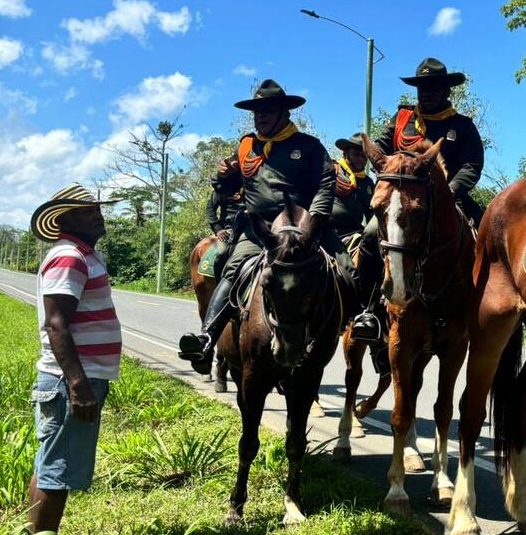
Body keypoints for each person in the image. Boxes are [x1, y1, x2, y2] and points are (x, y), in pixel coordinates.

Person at [178, 79, 336, 373]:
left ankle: (362, 320)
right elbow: (228, 189)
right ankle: (207, 338)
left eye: (267, 110)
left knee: (346, 269)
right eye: (257, 111)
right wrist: (224, 177)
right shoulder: (246, 146)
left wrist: (314, 222)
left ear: (285, 113)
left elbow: (326, 185)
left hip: (302, 229)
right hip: (258, 231)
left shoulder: (309, 146)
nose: (260, 116)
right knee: (232, 265)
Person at [24, 184, 122, 535]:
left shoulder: (83, 254)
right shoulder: (68, 256)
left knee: (50, 463)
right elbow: (56, 324)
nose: (97, 214)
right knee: (57, 471)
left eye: (97, 209)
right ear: (63, 220)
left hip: (77, 379)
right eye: (85, 211)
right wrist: (78, 385)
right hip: (70, 382)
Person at [350, 57, 485, 343]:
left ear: (447, 91)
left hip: (449, 199)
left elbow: (472, 165)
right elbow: (382, 155)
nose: (427, 92)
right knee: (371, 234)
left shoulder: (461, 126)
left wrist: (449, 192)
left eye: (434, 87)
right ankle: (368, 309)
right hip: (404, 203)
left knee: (489, 237)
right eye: (422, 87)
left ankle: (485, 312)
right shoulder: (400, 120)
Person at [330, 134, 373, 242]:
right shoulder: (331, 170)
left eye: (364, 156)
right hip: (331, 232)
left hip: (357, 233)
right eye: (356, 154)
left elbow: (371, 213)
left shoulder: (368, 182)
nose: (360, 159)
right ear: (345, 153)